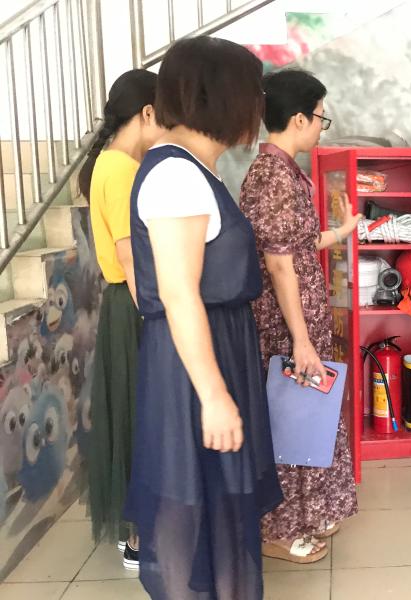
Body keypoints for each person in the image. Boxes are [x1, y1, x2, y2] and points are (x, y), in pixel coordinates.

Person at [123, 36, 282, 600]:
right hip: (195, 362)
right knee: (191, 498)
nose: (258, 106)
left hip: (213, 348)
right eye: (255, 92)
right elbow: (178, 295)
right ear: (225, 96)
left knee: (214, 499)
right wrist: (213, 395)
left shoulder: (194, 169)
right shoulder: (177, 176)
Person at [239, 69, 360, 564]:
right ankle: (280, 530)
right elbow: (280, 264)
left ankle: (308, 513)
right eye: (320, 118)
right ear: (298, 119)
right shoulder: (272, 175)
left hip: (299, 323)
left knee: (308, 417)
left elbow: (300, 246)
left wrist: (344, 230)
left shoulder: (284, 171)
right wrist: (301, 340)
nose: (321, 128)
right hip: (286, 329)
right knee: (290, 423)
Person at [78, 69, 164, 571]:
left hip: (124, 305)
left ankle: (136, 533)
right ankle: (139, 538)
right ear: (147, 113)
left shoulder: (111, 164)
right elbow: (132, 259)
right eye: (165, 117)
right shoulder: (121, 169)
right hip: (134, 306)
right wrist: (158, 318)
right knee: (139, 417)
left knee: (132, 414)